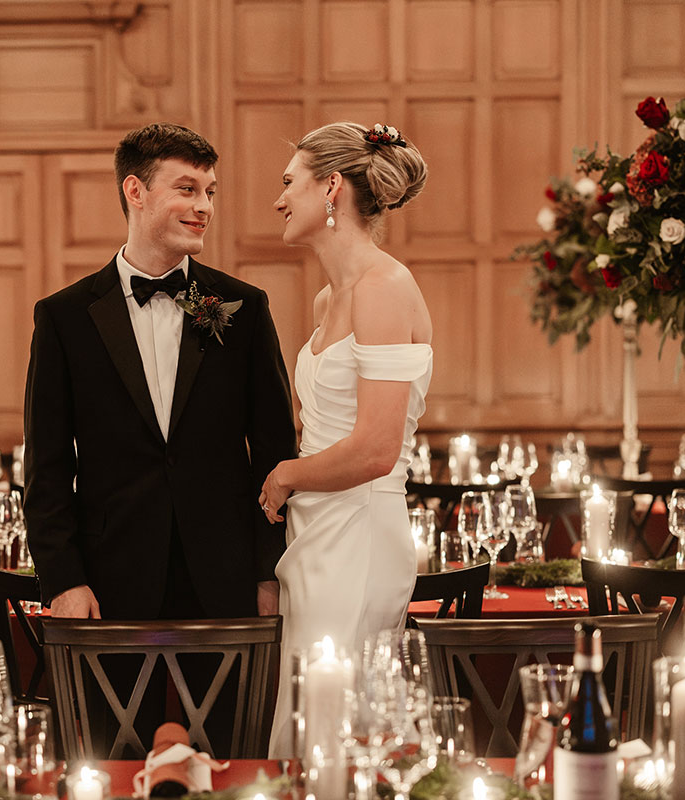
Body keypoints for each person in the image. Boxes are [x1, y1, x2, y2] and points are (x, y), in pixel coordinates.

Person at [23, 122, 297, 754]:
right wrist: (62, 578)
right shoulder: (64, 317)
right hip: (107, 582)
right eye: (186, 188)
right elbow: (45, 466)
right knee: (108, 759)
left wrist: (267, 570)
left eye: (209, 190)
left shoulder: (242, 306)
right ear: (135, 192)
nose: (203, 205)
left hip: (224, 579)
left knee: (232, 756)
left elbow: (276, 452)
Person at [259, 122, 432, 757]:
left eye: (288, 182)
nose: (278, 199)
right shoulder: (329, 297)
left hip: (359, 528)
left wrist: (284, 475)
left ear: (331, 186)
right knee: (309, 704)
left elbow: (376, 450)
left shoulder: (385, 288)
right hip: (315, 528)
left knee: (345, 714)